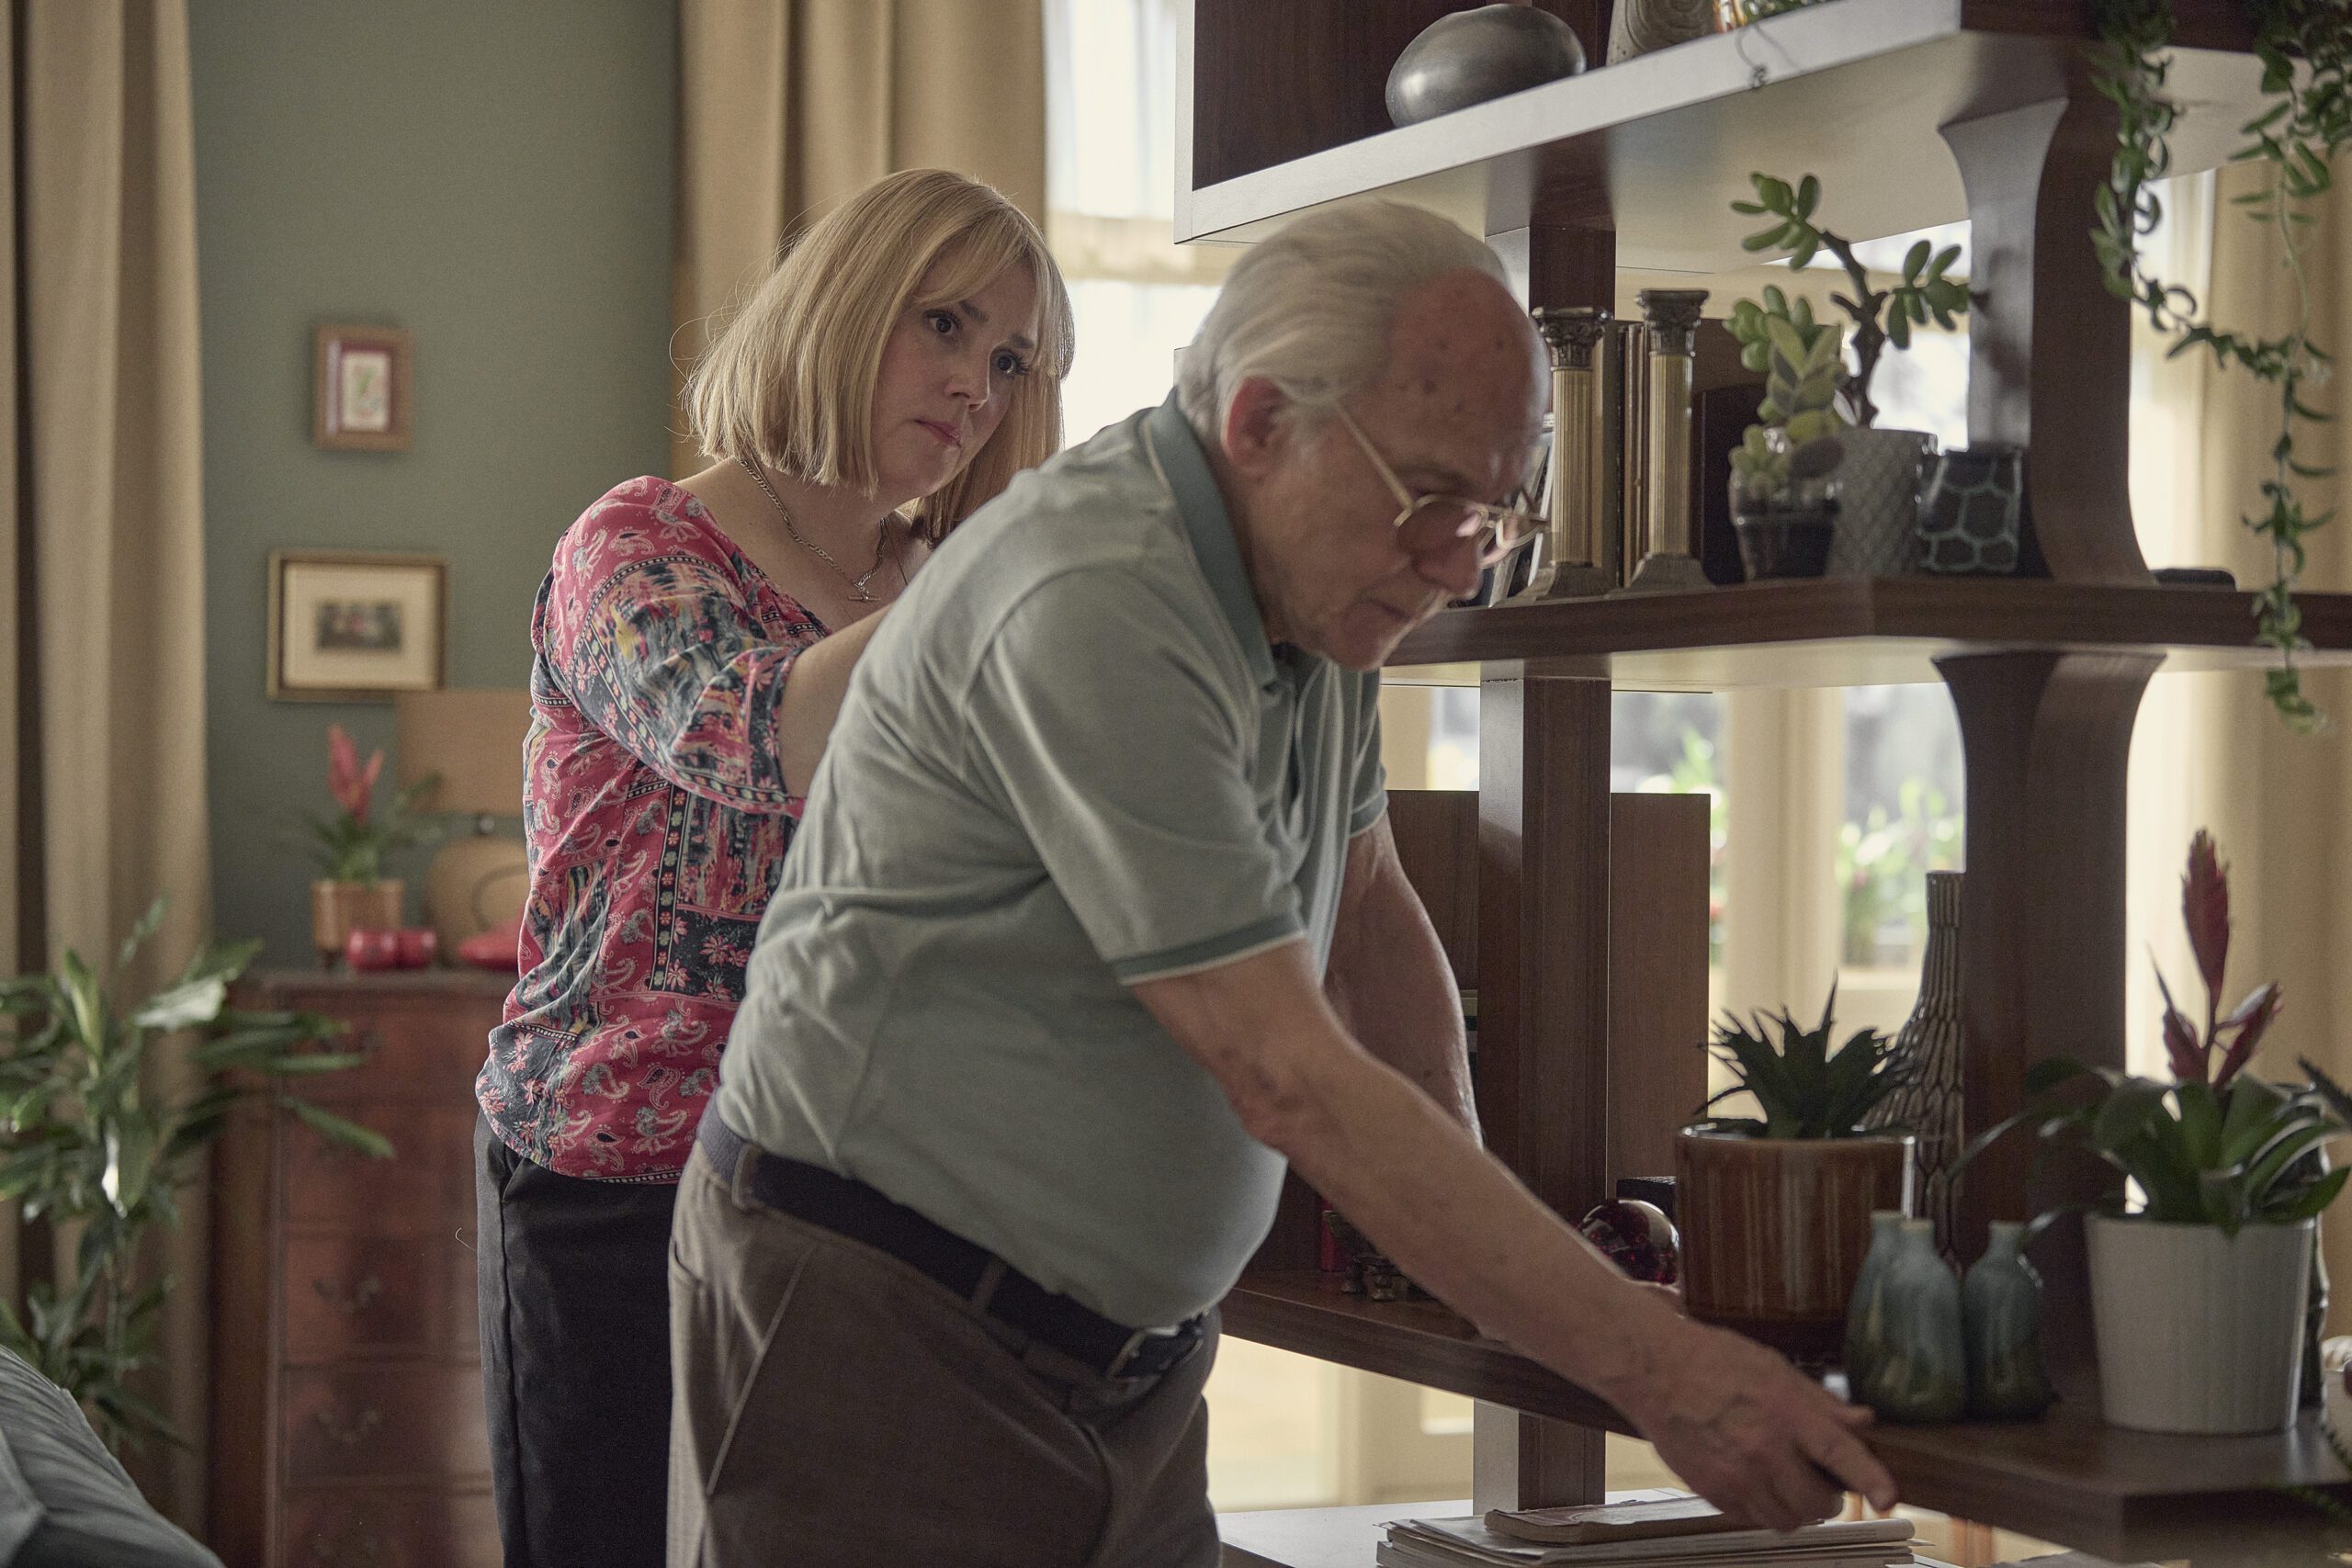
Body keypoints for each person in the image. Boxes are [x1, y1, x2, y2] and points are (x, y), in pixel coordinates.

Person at [668, 200, 1900, 1567]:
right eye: (1430, 497)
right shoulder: (1097, 593)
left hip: (1118, 1364)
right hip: (887, 1321)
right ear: (1259, 426)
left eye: (1491, 515)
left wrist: (1486, 1259)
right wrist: (1657, 1372)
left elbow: (1366, 913)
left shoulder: (1315, 592)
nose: (1452, 566)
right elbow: (1284, 1068)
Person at [473, 168, 1072, 1568]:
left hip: (867, 1204)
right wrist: (990, 587)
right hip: (614, 1183)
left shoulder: (953, 579)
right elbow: (750, 731)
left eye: (1009, 359)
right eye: (943, 324)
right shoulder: (632, 547)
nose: (976, 387)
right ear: (843, 304)